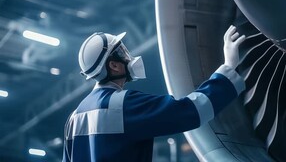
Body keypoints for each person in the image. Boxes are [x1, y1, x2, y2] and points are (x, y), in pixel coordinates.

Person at [63, 25, 246, 162]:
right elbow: (190, 111)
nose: (128, 56)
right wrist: (228, 67)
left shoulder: (74, 119)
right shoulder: (122, 105)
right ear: (114, 65)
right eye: (122, 52)